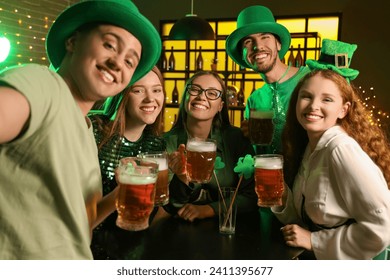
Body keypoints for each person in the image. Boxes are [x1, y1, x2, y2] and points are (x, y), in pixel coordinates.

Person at [0, 0, 161, 259]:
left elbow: (78, 225)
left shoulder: (85, 128)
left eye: (130, 62)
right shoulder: (44, 86)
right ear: (72, 42)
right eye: (109, 44)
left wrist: (122, 193)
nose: (119, 63)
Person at [272, 39, 390, 259]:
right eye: (306, 96)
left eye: (327, 99)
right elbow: (306, 218)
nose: (313, 106)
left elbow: (383, 228)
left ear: (343, 110)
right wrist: (278, 195)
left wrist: (313, 240)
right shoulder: (312, 145)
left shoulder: (341, 149)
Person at [89, 66, 166, 259]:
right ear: (121, 94)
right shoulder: (93, 129)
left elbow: (152, 211)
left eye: (156, 90)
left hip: (131, 251)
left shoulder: (156, 145)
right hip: (87, 249)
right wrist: (123, 191)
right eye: (138, 90)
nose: (150, 99)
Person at [162, 71, 258, 222]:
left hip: (231, 232)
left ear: (220, 106)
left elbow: (252, 196)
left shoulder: (237, 139)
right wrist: (181, 179)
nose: (201, 97)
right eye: (195, 90)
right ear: (185, 96)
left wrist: (209, 209)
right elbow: (163, 204)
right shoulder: (165, 143)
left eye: (212, 93)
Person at [226, 5, 310, 154]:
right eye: (248, 42)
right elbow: (258, 153)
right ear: (243, 54)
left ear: (278, 44)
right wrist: (247, 137)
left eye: (265, 37)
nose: (258, 47)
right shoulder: (254, 100)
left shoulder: (311, 79)